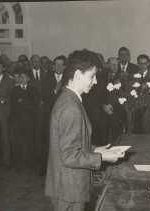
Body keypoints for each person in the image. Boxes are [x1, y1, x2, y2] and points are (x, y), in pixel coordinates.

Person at [45, 50, 124, 211]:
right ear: (78, 74)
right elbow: (68, 156)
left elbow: (71, 143)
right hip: (69, 189)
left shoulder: (71, 99)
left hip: (68, 186)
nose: (95, 81)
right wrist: (101, 157)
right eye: (92, 76)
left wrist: (94, 149)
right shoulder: (70, 107)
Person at [10, 69, 38, 167]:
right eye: (20, 77)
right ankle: (17, 163)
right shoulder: (14, 90)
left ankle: (32, 162)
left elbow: (35, 104)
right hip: (18, 121)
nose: (22, 79)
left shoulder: (33, 89)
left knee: (30, 142)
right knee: (18, 142)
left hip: (30, 120)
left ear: (28, 78)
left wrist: (22, 101)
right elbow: (13, 105)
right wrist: (27, 103)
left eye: (24, 77)